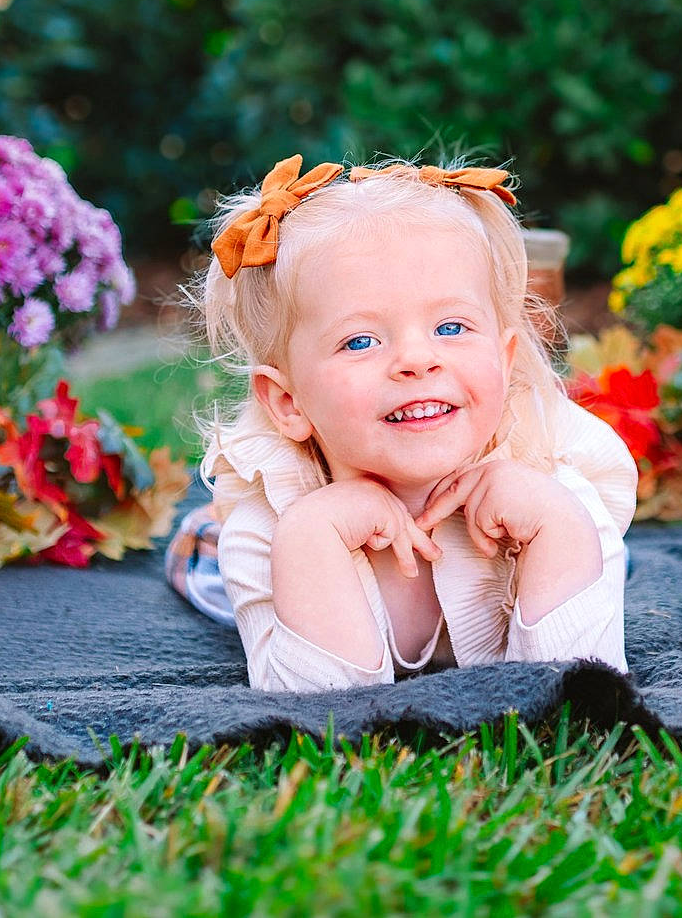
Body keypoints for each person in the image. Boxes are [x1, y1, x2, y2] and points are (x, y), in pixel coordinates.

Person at [172, 156, 637, 692]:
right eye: (361, 341)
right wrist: (313, 539)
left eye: (451, 326)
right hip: (248, 537)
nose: (418, 360)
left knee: (601, 567)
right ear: (288, 401)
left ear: (505, 363)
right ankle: (200, 532)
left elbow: (579, 697)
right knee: (204, 557)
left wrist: (558, 530)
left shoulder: (559, 498)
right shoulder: (269, 530)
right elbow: (314, 720)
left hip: (549, 505)